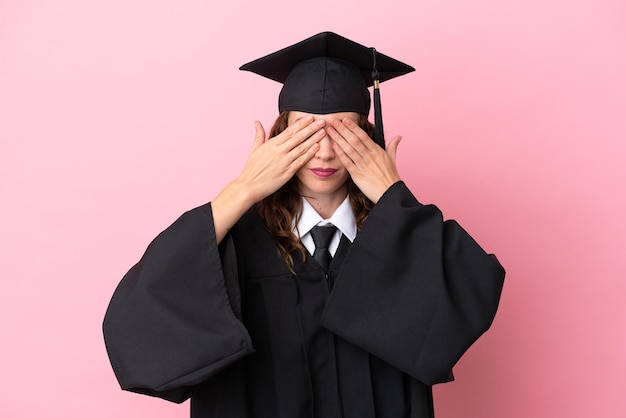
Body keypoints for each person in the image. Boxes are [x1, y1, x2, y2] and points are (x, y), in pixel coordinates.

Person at [103, 32, 505, 418]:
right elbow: (136, 329)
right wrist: (242, 190)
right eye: (307, 131)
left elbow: (468, 302)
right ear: (279, 135)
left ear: (369, 136)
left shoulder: (400, 237)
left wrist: (393, 196)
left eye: (344, 132)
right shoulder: (235, 241)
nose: (326, 151)